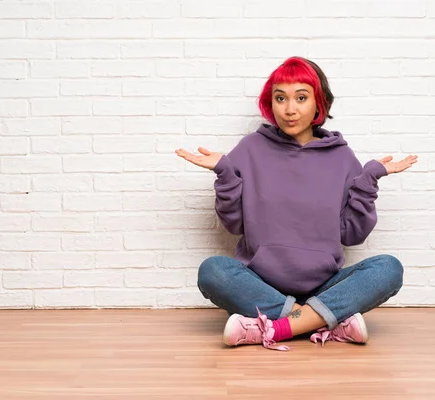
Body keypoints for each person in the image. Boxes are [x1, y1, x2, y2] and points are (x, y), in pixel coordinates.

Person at [175, 56, 418, 351]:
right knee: (213, 270)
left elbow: (353, 235)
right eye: (281, 98)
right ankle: (325, 321)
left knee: (388, 269)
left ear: (319, 104)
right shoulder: (250, 148)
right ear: (271, 104)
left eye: (301, 98)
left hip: (323, 286)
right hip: (260, 284)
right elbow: (234, 225)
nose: (290, 109)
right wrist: (225, 175)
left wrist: (368, 181)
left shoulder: (341, 157)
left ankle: (271, 326)